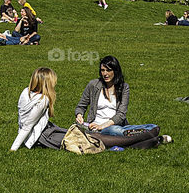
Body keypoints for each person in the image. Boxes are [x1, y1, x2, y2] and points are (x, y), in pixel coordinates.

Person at [13, 67, 167, 151]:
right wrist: (14, 149)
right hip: (46, 136)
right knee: (91, 140)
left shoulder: (25, 92)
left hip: (49, 131)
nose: (55, 85)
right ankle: (141, 138)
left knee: (90, 138)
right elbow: (27, 126)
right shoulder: (43, 100)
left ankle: (148, 141)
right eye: (53, 82)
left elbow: (23, 120)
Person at [75, 56, 166, 141]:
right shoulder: (93, 85)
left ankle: (136, 136)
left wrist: (103, 125)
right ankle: (142, 137)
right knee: (114, 130)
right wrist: (79, 115)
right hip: (96, 128)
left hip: (115, 125)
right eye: (103, 70)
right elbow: (81, 106)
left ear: (115, 71)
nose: (105, 74)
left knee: (152, 127)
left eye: (108, 70)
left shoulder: (124, 88)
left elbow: (121, 114)